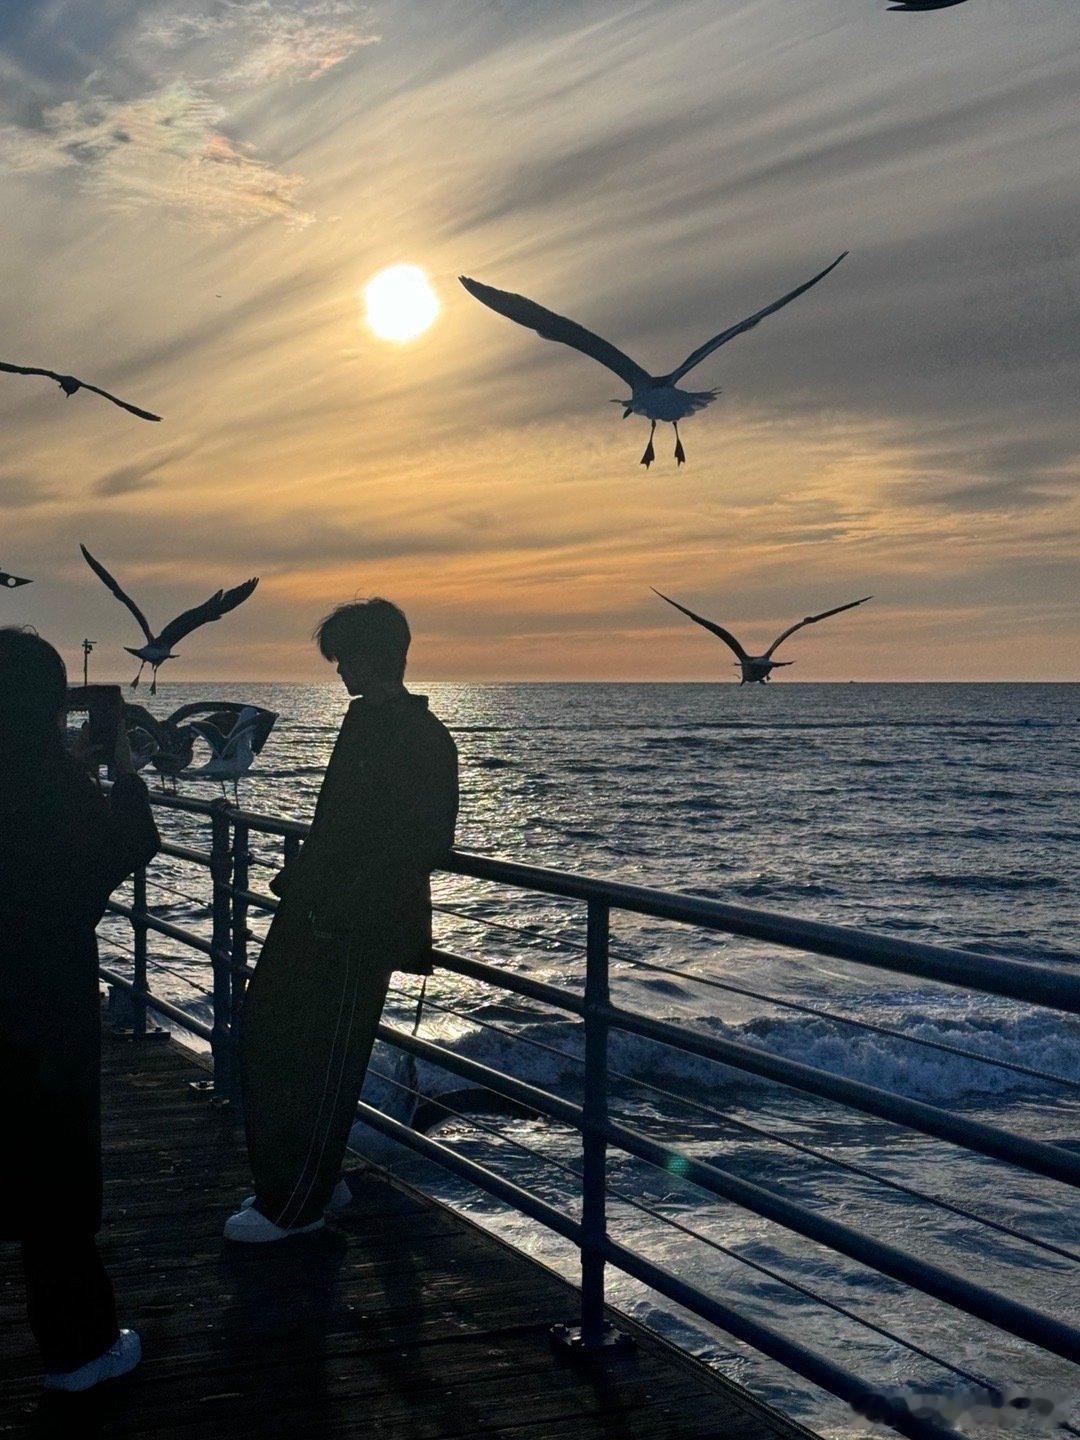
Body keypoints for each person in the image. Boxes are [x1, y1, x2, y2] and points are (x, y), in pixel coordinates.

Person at [226, 598, 458, 1242]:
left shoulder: (418, 736)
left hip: (358, 925)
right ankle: (307, 1179)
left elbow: (421, 840)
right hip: (318, 912)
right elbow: (342, 828)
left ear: (375, 656)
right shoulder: (367, 724)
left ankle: (299, 1203)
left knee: (326, 1057)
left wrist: (338, 901)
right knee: (274, 1035)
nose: (339, 673)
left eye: (345, 659)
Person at [0, 628, 159, 1390]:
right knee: (56, 1179)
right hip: (46, 1002)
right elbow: (125, 847)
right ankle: (77, 1348)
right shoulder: (53, 784)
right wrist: (122, 775)